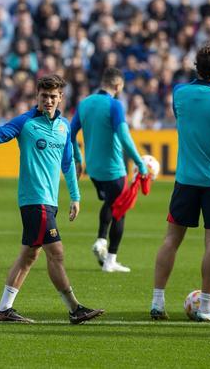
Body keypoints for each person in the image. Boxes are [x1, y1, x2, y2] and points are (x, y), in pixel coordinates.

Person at [0, 74, 104, 324]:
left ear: (61, 97)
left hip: (49, 201)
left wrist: (75, 196)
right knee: (57, 252)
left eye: (54, 96)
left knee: (29, 255)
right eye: (45, 96)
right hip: (34, 200)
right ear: (37, 97)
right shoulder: (25, 122)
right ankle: (75, 308)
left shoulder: (64, 126)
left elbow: (68, 165)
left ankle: (3, 309)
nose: (49, 100)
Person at [150, 43, 210, 322]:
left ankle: (157, 302)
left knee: (171, 239)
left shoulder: (179, 93)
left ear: (196, 67)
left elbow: (186, 120)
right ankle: (205, 307)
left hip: (185, 178)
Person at [70, 67, 147, 272]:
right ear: (118, 85)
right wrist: (139, 163)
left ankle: (102, 243)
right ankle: (109, 256)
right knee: (119, 210)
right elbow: (124, 136)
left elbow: (70, 133)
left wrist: (78, 159)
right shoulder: (115, 105)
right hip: (113, 169)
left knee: (110, 203)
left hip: (93, 169)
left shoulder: (84, 103)